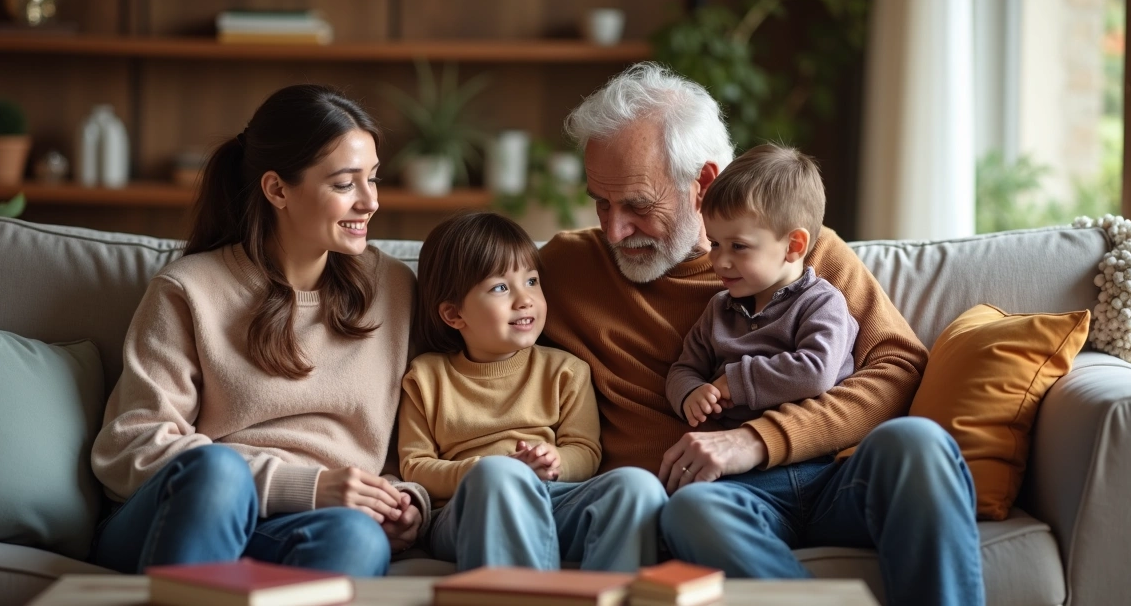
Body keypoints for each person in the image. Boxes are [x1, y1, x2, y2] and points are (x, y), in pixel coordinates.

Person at [540, 62, 983, 606]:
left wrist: (756, 439)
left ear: (702, 184)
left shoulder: (804, 254)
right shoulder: (565, 269)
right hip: (717, 506)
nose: (614, 230)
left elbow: (897, 368)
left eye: (636, 205)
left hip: (830, 483)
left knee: (919, 444)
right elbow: (461, 332)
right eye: (600, 203)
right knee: (691, 512)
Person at [88, 84, 429, 577]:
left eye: (373, 179)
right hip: (185, 513)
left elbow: (415, 443)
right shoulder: (188, 290)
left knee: (357, 535)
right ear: (277, 189)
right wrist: (306, 485)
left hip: (299, 528)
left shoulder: (395, 289)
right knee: (218, 474)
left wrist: (403, 502)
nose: (369, 202)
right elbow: (130, 446)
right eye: (344, 184)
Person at [399, 211, 666, 572]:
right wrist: (493, 468)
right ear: (453, 314)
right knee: (499, 477)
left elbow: (585, 451)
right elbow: (414, 466)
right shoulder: (426, 377)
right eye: (500, 287)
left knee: (637, 486)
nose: (524, 299)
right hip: (470, 510)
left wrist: (554, 462)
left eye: (532, 281)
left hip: (552, 499)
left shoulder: (565, 370)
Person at [666, 144, 858, 429]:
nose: (719, 261)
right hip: (732, 458)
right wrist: (690, 392)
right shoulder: (719, 308)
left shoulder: (821, 303)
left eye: (738, 246)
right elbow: (684, 368)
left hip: (807, 460)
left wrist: (737, 382)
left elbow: (816, 370)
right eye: (715, 243)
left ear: (794, 246)